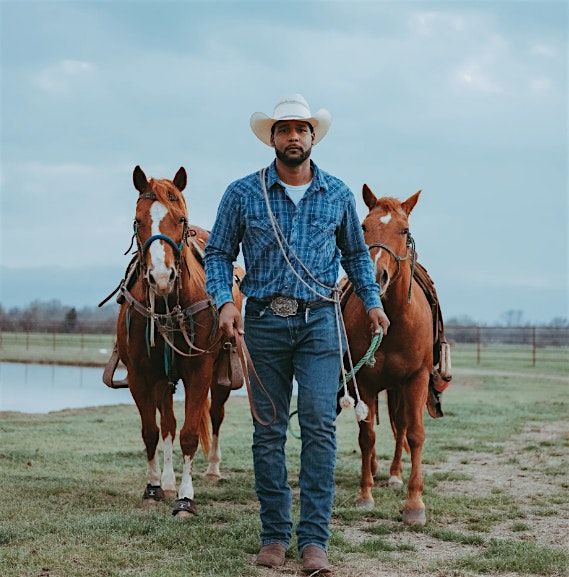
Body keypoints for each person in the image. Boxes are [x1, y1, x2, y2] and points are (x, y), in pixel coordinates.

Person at [204, 94, 390, 575]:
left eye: (301, 129)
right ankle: (272, 537)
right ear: (272, 138)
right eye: (283, 129)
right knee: (268, 432)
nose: (293, 137)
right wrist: (226, 300)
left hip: (320, 324)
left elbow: (356, 257)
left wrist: (371, 302)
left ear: (313, 137)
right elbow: (218, 253)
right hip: (263, 322)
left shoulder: (339, 194)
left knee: (320, 428)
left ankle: (314, 543)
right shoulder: (243, 193)